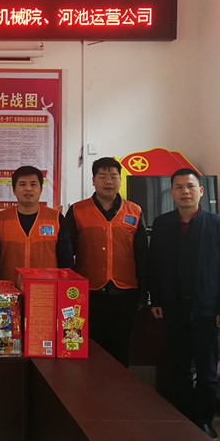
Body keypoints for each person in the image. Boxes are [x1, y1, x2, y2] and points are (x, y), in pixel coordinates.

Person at [148, 168, 220, 440]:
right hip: (173, 308)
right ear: (172, 193)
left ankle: (204, 421)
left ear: (200, 191)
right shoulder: (162, 224)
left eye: (190, 186)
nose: (185, 192)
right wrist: (156, 299)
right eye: (179, 187)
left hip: (207, 311)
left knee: (207, 370)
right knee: (178, 368)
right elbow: (154, 266)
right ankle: (183, 417)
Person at [65, 156, 147, 366]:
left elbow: (142, 255)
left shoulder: (134, 211)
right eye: (102, 176)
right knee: (89, 348)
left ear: (120, 180)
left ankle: (119, 387)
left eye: (113, 176)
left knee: (121, 349)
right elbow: (66, 254)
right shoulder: (77, 210)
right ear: (93, 181)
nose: (108, 181)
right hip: (88, 292)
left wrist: (143, 292)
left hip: (125, 293)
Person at [0, 165, 73, 281]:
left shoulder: (56, 219)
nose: (28, 189)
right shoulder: (1, 219)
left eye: (33, 184)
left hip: (46, 287)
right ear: (14, 190)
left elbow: (66, 260)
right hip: (10, 288)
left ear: (41, 190)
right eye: (22, 184)